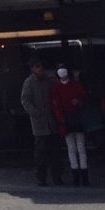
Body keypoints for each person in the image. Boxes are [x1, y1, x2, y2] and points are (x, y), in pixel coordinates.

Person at [20, 58, 62, 186]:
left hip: (51, 122)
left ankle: (57, 177)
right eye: (37, 66)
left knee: (55, 152)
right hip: (39, 125)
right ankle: (41, 178)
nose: (40, 68)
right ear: (32, 68)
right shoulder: (29, 82)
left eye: (41, 66)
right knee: (41, 153)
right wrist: (36, 113)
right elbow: (25, 101)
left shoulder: (48, 81)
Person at [50, 65, 89, 186]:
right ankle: (82, 175)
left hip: (67, 121)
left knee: (74, 149)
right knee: (78, 148)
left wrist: (60, 118)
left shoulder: (56, 88)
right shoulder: (75, 86)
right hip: (71, 121)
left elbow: (54, 105)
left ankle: (78, 175)